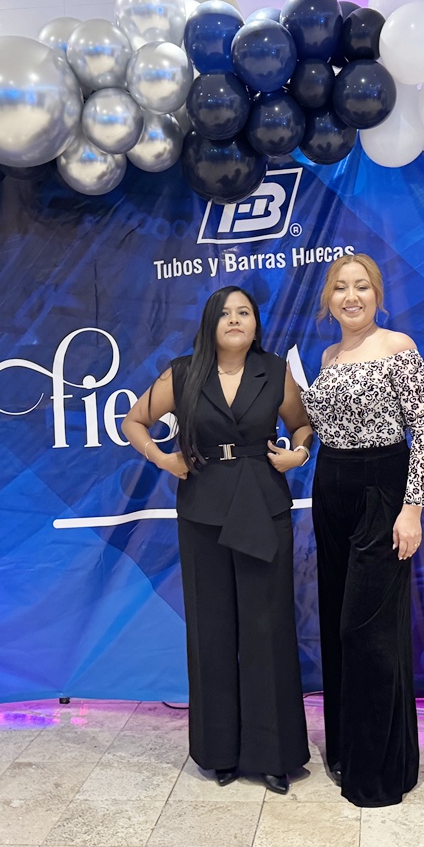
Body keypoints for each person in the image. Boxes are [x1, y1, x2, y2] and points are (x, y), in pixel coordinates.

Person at [122, 286, 313, 793]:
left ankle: (274, 755)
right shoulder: (182, 373)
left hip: (262, 506)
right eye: (225, 312)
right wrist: (162, 459)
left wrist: (298, 454)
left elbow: (302, 427)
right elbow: (133, 421)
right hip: (202, 508)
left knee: (266, 630)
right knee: (212, 630)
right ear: (210, 322)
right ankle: (219, 752)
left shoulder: (275, 371)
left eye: (244, 312)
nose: (234, 319)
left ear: (255, 323)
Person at [301, 254, 424, 807]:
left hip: (383, 491)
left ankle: (379, 772)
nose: (351, 296)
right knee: (339, 627)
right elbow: (322, 428)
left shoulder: (397, 346)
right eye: (341, 287)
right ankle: (347, 752)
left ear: (377, 295)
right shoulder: (328, 356)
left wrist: (412, 508)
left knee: (369, 632)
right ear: (328, 299)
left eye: (362, 287)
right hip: (330, 490)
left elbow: (423, 429)